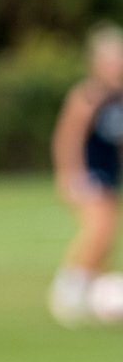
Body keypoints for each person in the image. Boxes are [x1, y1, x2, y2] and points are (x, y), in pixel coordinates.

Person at [48, 24, 123, 325]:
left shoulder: (117, 97)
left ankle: (96, 296)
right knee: (99, 230)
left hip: (109, 175)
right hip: (88, 176)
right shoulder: (87, 96)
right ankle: (66, 292)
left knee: (107, 238)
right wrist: (70, 176)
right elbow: (67, 138)